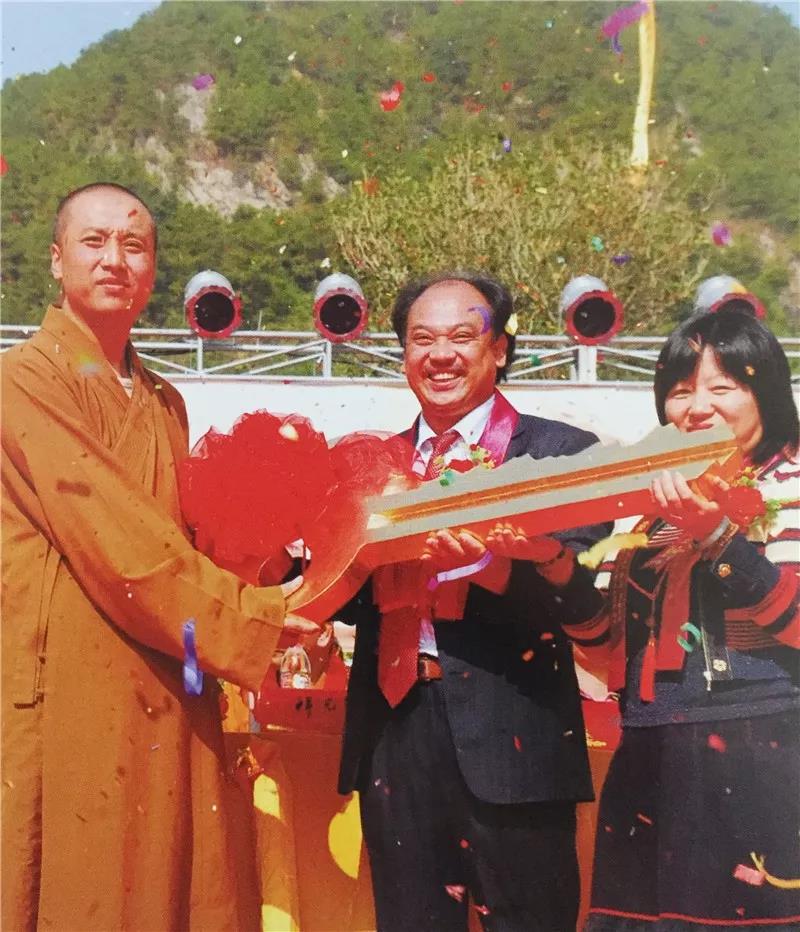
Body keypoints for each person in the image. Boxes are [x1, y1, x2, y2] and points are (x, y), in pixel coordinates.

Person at [1, 182, 318, 931]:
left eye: (134, 245)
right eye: (94, 241)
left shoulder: (164, 400)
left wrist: (277, 564)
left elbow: (183, 539)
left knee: (169, 880)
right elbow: (120, 547)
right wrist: (256, 616)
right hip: (72, 682)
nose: (114, 259)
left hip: (167, 674)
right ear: (56, 260)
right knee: (85, 884)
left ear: (153, 270)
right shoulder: (22, 383)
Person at [336, 271, 610, 931]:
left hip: (515, 737)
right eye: (421, 338)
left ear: (499, 350)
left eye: (462, 336)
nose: (441, 355)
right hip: (396, 735)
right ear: (403, 352)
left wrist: (499, 560)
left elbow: (576, 595)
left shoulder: (561, 457)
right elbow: (346, 595)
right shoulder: (372, 465)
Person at [565, 307, 800, 930]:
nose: (697, 408)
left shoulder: (794, 486)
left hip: (763, 761)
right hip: (650, 756)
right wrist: (553, 572)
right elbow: (607, 648)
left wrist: (719, 538)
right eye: (679, 390)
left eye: (723, 387)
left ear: (767, 393)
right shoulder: (651, 512)